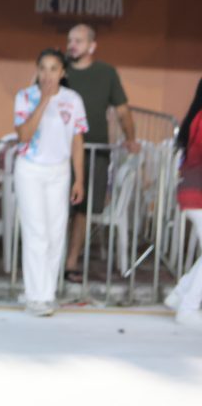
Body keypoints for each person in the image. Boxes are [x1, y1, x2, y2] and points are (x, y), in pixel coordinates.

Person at [13, 49, 87, 316]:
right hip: (30, 170)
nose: (48, 74)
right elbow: (23, 135)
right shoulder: (25, 96)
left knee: (56, 234)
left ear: (63, 72)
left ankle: (47, 292)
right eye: (43, 68)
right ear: (37, 70)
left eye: (54, 69)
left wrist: (79, 178)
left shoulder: (73, 100)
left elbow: (77, 141)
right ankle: (35, 296)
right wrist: (43, 101)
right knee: (37, 233)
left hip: (60, 172)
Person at [63, 24, 139, 284]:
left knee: (83, 210)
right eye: (70, 39)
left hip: (94, 153)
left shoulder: (106, 73)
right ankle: (49, 261)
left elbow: (122, 110)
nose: (72, 44)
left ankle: (70, 263)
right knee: (57, 207)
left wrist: (130, 138)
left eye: (79, 40)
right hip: (59, 152)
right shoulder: (57, 68)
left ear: (92, 46)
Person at [165, 77, 202, 328]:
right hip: (198, 191)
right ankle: (188, 308)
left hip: (192, 190)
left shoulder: (196, 116)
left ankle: (179, 295)